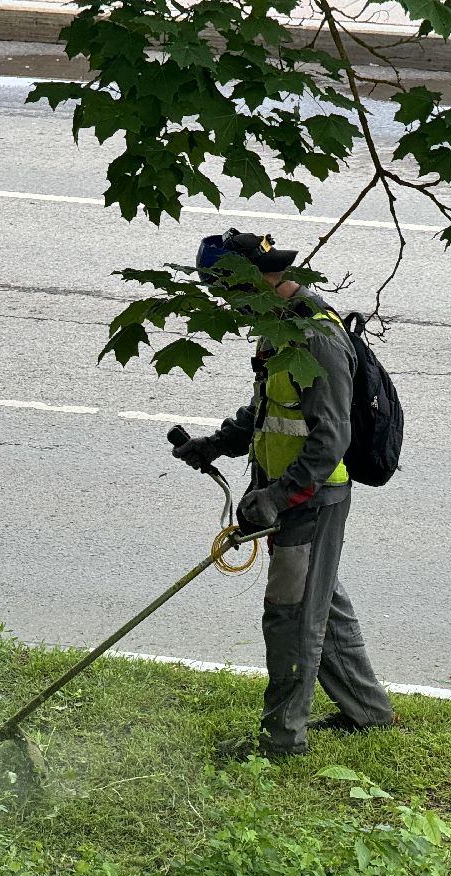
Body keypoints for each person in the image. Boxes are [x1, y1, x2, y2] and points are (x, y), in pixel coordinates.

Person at [170, 228, 394, 761]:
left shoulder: (316, 337)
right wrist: (217, 445)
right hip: (291, 495)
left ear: (254, 281)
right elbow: (271, 410)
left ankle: (281, 741)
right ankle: (369, 712)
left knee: (291, 619)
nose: (227, 303)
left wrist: (278, 498)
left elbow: (330, 436)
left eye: (228, 291)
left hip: (312, 501)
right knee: (323, 607)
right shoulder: (277, 330)